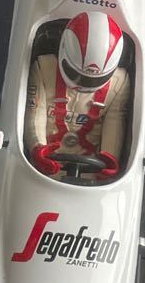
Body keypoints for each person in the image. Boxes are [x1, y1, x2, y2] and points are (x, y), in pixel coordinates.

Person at [26, 10, 130, 179]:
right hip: (43, 164)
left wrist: (110, 161)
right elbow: (35, 114)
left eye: (93, 80)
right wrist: (37, 149)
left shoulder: (120, 82)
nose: (83, 84)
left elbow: (115, 123)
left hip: (90, 168)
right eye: (77, 75)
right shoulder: (43, 68)